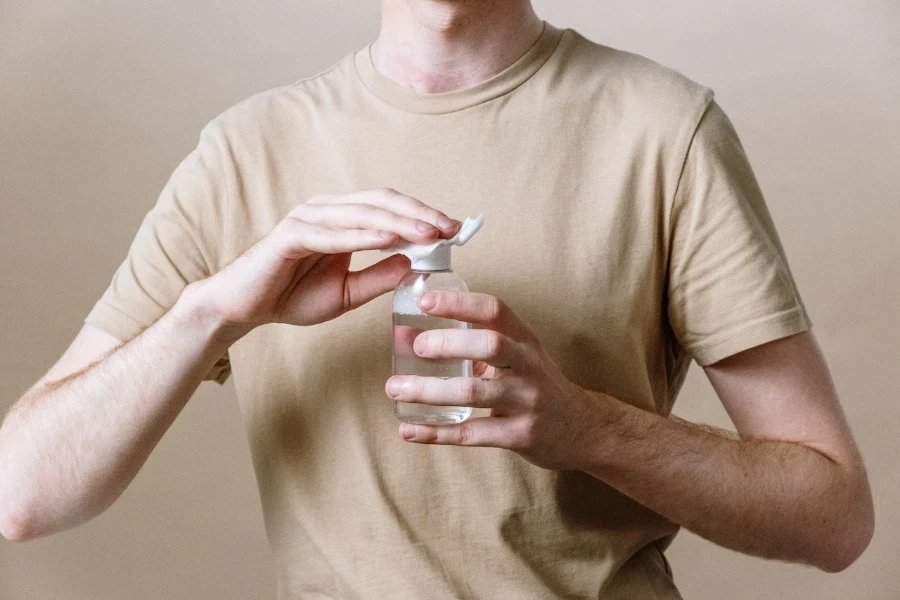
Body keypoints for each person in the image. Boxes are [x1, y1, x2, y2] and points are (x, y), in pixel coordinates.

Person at [0, 1, 874, 598]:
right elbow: (21, 494)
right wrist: (214, 311)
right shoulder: (243, 154)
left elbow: (832, 516)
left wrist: (585, 426)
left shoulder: (667, 133)